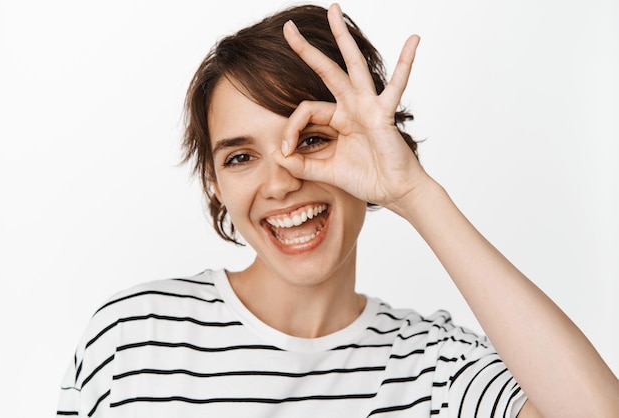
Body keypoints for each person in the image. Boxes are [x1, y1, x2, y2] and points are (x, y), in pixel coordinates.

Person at [56, 3, 619, 417]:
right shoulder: (131, 341)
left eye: (312, 140)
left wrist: (414, 193)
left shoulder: (436, 368)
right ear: (214, 182)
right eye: (241, 156)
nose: (279, 184)